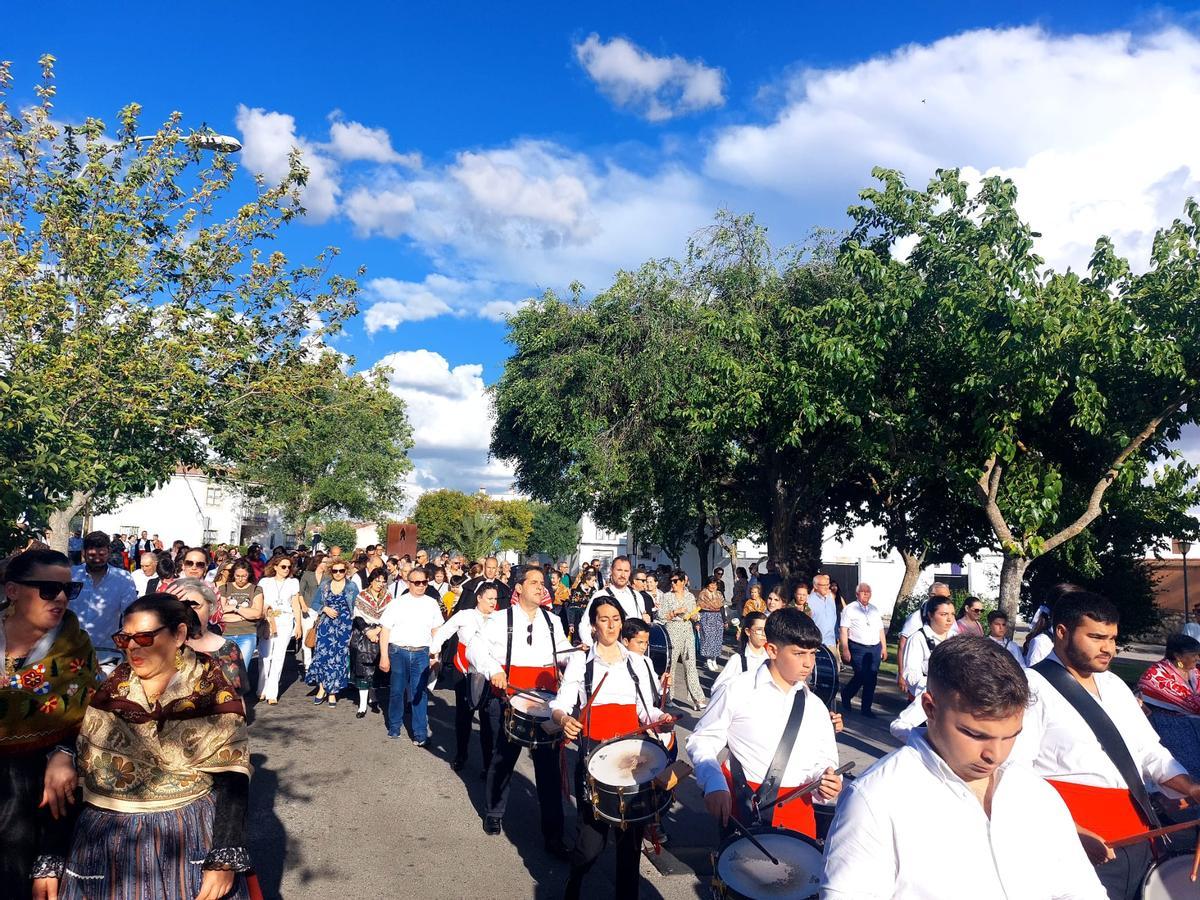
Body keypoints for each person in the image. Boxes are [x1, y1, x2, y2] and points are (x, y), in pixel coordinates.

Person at [823, 636, 1106, 899]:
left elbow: (1080, 890)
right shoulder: (876, 798)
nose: (994, 754)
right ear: (930, 709)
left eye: (1011, 736)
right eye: (976, 735)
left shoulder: (1035, 792)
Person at [59, 593, 252, 900]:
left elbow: (233, 777)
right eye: (126, 639)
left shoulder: (211, 691)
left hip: (183, 837)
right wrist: (52, 854)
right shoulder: (111, 688)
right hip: (103, 842)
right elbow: (77, 765)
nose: (133, 647)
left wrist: (224, 857)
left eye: (145, 637)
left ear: (179, 635)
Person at [1022, 589, 1200, 899]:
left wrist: (1191, 787)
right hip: (1076, 840)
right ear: (1062, 632)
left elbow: (1149, 752)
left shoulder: (1115, 685)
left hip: (1138, 831)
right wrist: (1068, 832)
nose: (1109, 649)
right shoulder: (1029, 687)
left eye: (1112, 639)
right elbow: (1015, 774)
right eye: (1097, 637)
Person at [550, 597, 674, 900]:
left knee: (630, 844)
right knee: (591, 844)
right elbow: (560, 704)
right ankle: (575, 880)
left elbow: (647, 711)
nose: (611, 625)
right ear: (593, 625)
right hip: (595, 757)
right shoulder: (582, 662)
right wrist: (564, 718)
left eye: (616, 619)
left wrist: (663, 719)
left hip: (633, 757)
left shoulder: (639, 661)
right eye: (604, 619)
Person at [688, 608, 841, 838]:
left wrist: (827, 779)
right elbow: (703, 739)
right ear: (772, 650)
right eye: (799, 653)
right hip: (745, 807)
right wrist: (714, 782)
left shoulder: (815, 706)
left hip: (799, 812)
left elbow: (825, 757)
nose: (809, 663)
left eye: (812, 653)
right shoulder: (737, 689)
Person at [1, 549, 97, 899]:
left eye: (68, 590)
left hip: (42, 794)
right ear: (12, 591)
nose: (59, 598)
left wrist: (63, 750)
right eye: (47, 589)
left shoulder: (76, 648)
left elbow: (94, 719)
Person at [467, 566, 572, 856]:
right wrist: (493, 670)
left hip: (546, 704)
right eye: (534, 583)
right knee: (503, 761)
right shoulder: (500, 620)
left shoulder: (553, 621)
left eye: (543, 583)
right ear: (519, 588)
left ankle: (554, 835)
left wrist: (576, 657)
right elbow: (475, 646)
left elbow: (562, 653)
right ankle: (494, 813)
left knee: (549, 772)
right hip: (509, 700)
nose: (541, 587)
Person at [431, 583, 499, 772]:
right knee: (464, 717)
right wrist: (433, 651)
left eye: (495, 599)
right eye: (490, 599)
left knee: (488, 721)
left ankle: (488, 764)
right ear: (479, 598)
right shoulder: (465, 615)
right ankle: (461, 754)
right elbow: (444, 632)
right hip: (464, 672)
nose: (494, 603)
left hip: (489, 674)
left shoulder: (499, 619)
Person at [378, 566, 444, 744]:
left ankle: (420, 733)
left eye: (424, 582)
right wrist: (384, 656)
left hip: (422, 652)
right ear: (408, 582)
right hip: (398, 652)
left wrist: (435, 656)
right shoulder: (397, 603)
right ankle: (394, 726)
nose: (421, 586)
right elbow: (385, 630)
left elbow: (436, 630)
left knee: (419, 693)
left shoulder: (431, 603)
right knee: (397, 691)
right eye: (417, 582)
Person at [168, 577, 247, 694]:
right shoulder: (161, 647)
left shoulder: (228, 648)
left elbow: (238, 697)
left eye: (196, 607)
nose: (190, 613)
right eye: (181, 608)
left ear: (210, 606)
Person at [1137, 633, 1200, 778]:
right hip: (1168, 728)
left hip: (1191, 728)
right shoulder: (1156, 675)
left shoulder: (1194, 673)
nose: (1197, 658)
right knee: (1185, 770)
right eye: (1194, 655)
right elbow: (1191, 704)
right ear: (1178, 656)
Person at [71, 531, 137, 653]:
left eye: (101, 555)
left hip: (105, 652)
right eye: (92, 555)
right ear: (83, 553)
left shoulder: (123, 578)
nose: (97, 559)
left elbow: (130, 615)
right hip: (69, 649)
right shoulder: (71, 575)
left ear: (109, 552)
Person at [305, 560, 359, 706]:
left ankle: (333, 692)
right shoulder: (325, 585)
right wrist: (324, 609)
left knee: (338, 659)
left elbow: (357, 607)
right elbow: (314, 603)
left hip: (344, 627)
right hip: (325, 626)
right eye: (335, 571)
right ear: (331, 571)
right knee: (322, 657)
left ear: (346, 571)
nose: (338, 574)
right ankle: (322, 688)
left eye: (341, 571)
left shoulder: (352, 587)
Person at [655, 570, 706, 712]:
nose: (673, 583)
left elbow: (694, 613)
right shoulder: (666, 597)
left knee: (690, 664)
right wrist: (675, 612)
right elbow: (660, 616)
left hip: (687, 631)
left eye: (676, 581)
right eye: (671, 581)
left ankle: (697, 698)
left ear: (683, 582)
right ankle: (668, 696)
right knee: (670, 667)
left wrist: (695, 617)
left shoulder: (689, 596)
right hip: (672, 630)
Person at [257, 555, 303, 705]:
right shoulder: (265, 582)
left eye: (289, 567)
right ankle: (261, 688)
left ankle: (272, 692)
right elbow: (259, 601)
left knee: (279, 656)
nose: (286, 569)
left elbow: (295, 605)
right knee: (265, 654)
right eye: (283, 566)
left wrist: (298, 625)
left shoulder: (293, 582)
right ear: (275, 567)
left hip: (285, 620)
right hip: (268, 620)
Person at [346, 568, 390, 719]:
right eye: (377, 580)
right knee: (363, 669)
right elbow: (357, 617)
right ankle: (362, 705)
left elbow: (390, 617)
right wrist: (368, 631)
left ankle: (374, 697)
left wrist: (378, 629)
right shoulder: (362, 596)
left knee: (377, 669)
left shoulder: (388, 597)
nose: (380, 584)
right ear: (371, 580)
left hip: (382, 633)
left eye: (383, 581)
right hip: (363, 635)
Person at [839, 582, 887, 717]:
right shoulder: (850, 609)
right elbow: (843, 630)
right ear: (857, 594)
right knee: (861, 675)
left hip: (875, 647)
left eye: (868, 592)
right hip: (858, 647)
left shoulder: (874, 609)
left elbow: (880, 629)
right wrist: (845, 649)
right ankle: (847, 694)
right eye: (863, 591)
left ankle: (866, 709)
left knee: (871, 677)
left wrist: (884, 647)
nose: (866, 594)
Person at [897, 581, 952, 690]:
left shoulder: (950, 619)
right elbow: (902, 645)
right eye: (943, 597)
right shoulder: (915, 619)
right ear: (931, 596)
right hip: (922, 686)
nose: (948, 600)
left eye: (949, 597)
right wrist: (901, 675)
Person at [217, 560, 264, 686]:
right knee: (226, 671)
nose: (240, 579)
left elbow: (257, 614)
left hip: (247, 634)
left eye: (243, 576)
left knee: (241, 670)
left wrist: (235, 608)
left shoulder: (256, 589)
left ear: (249, 574)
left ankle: (238, 699)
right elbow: (221, 614)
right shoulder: (225, 588)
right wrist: (244, 615)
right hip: (226, 634)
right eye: (237, 576)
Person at [901, 596, 957, 699]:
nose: (949, 619)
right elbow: (911, 676)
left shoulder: (955, 638)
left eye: (952, 614)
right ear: (930, 615)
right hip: (927, 699)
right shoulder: (917, 639)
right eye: (944, 614)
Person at [581, 556, 650, 634]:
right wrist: (591, 644)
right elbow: (585, 624)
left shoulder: (638, 596)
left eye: (626, 571)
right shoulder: (600, 595)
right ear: (611, 570)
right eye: (619, 570)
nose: (623, 575)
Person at [712, 610, 768, 695]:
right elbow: (717, 689)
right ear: (748, 631)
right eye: (759, 630)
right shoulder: (737, 660)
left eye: (766, 630)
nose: (764, 634)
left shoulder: (771, 659)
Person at [297, 552, 326, 672]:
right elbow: (300, 592)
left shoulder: (328, 576)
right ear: (318, 563)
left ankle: (318, 662)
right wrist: (303, 605)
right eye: (325, 562)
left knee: (320, 637)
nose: (327, 564)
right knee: (307, 636)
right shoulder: (308, 575)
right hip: (308, 609)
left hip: (322, 610)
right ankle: (308, 664)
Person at [696, 574, 726, 673]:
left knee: (717, 638)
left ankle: (714, 659)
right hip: (706, 616)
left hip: (717, 617)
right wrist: (697, 622)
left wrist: (724, 620)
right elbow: (698, 608)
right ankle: (709, 659)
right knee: (708, 638)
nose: (713, 586)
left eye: (715, 584)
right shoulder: (703, 594)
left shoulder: (719, 594)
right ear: (707, 585)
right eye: (711, 584)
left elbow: (721, 608)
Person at [808, 573, 838, 651]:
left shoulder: (830, 599)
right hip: (816, 645)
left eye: (827, 585)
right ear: (815, 586)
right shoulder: (809, 601)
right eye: (823, 585)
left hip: (831, 644)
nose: (826, 587)